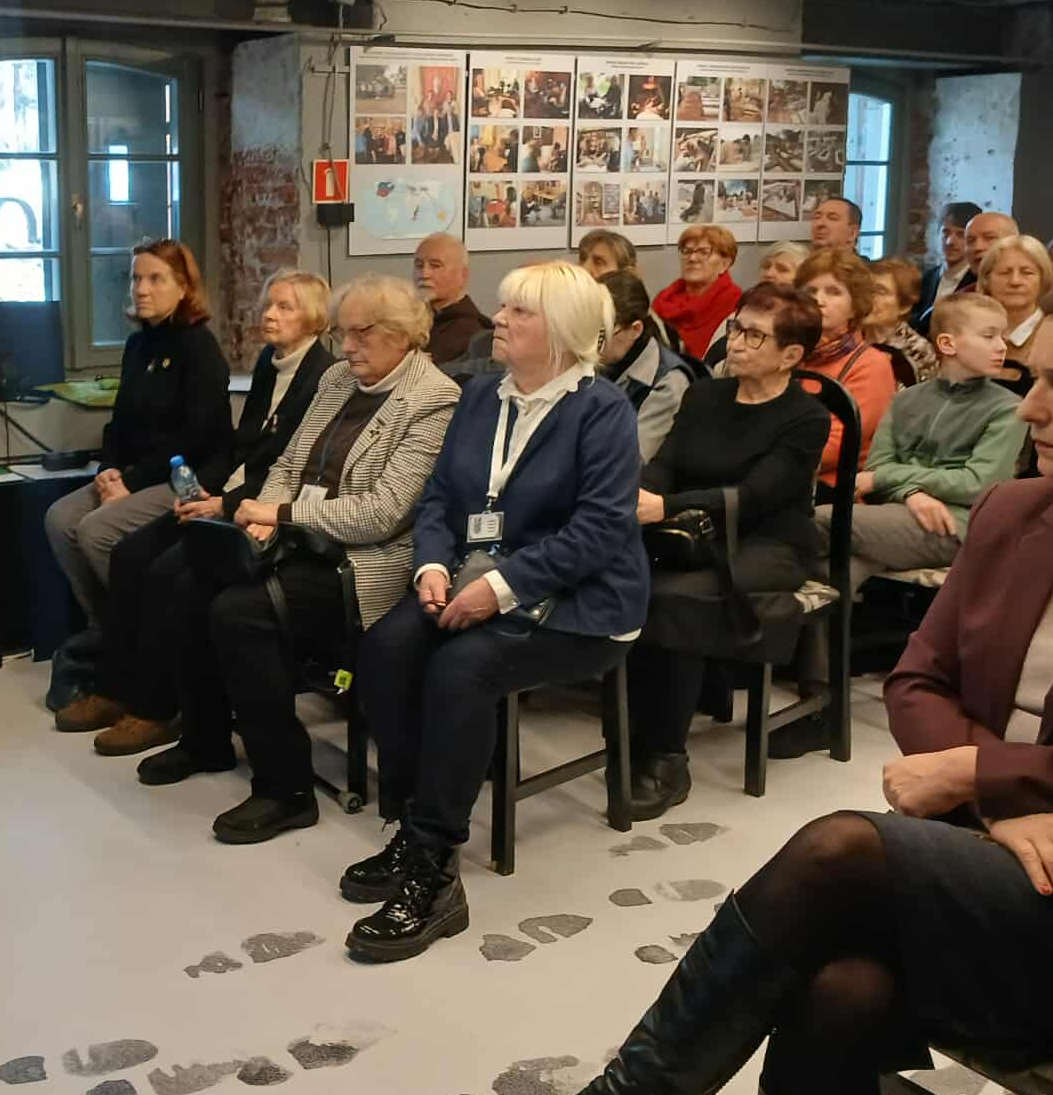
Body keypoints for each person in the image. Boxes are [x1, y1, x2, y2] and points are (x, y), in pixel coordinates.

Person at [406, 265, 1053, 1095]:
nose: (1030, 408)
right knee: (838, 991)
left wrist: (979, 777)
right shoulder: (1020, 511)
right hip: (994, 856)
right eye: (1034, 378)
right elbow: (918, 680)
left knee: (842, 851)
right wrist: (1006, 805)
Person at [345, 263, 649, 962]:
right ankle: (412, 825)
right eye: (504, 307)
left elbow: (600, 532)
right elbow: (439, 500)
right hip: (474, 578)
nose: (500, 320)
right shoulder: (481, 395)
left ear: (563, 332)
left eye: (519, 312)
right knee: (387, 649)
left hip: (584, 602)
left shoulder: (602, 411)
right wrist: (430, 566)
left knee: (462, 669)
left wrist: (498, 588)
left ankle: (435, 871)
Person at [134, 276, 459, 844]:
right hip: (296, 539)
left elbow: (382, 514)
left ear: (401, 335)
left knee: (239, 612)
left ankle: (286, 789)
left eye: (361, 334)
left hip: (361, 562)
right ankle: (206, 741)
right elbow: (287, 464)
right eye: (342, 333)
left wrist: (281, 514)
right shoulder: (338, 379)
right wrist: (267, 513)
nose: (347, 347)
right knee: (185, 582)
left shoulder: (433, 399)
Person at [60, 269, 336, 753]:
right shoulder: (270, 363)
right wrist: (201, 487)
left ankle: (157, 710)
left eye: (284, 307)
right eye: (268, 304)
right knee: (128, 555)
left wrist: (222, 503)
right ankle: (117, 688)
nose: (269, 315)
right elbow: (242, 445)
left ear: (314, 318)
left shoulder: (322, 376)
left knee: (167, 574)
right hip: (224, 492)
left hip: (256, 507)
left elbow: (285, 468)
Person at [624, 284, 830, 817]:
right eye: (737, 328)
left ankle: (667, 756)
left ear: (790, 355)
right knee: (627, 578)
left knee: (673, 596)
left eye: (754, 336)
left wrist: (664, 506)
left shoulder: (806, 417)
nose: (735, 342)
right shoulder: (705, 396)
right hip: (694, 531)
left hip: (770, 542)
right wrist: (644, 495)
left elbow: (757, 496)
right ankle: (631, 734)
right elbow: (667, 461)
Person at [43, 239, 231, 708]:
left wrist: (129, 483)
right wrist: (108, 469)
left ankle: (144, 637)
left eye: (155, 279)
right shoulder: (137, 345)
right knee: (60, 519)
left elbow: (197, 437)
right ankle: (108, 628)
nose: (141, 289)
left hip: (187, 478)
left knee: (96, 530)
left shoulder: (199, 347)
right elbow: (120, 424)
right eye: (136, 278)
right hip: (134, 474)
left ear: (183, 287)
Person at [824, 295, 1023, 592]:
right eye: (989, 336)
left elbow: (978, 484)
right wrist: (911, 493)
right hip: (896, 514)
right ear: (947, 344)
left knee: (821, 520)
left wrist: (885, 478)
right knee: (839, 568)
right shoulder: (906, 399)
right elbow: (878, 465)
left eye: (1002, 336)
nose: (1002, 346)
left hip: (956, 525)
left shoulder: (1008, 408)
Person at [795, 248, 899, 497]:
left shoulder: (871, 364)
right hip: (780, 473)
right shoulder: (791, 353)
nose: (819, 300)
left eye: (833, 292)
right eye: (810, 291)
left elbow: (836, 446)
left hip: (834, 488)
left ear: (855, 307)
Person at [598, 272, 691, 461]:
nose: (591, 344)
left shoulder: (668, 383)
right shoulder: (601, 359)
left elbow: (630, 461)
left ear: (635, 330)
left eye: (602, 333)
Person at [653, 224, 741, 360]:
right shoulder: (664, 300)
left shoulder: (735, 304)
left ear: (725, 263)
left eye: (703, 252)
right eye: (687, 251)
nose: (692, 258)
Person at [979, 234, 1052, 394]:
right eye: (1005, 272)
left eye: (1027, 273)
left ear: (1043, 280)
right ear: (987, 279)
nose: (1015, 281)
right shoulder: (968, 332)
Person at [414, 232, 492, 364]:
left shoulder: (473, 336)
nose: (424, 274)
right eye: (419, 265)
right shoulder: (410, 324)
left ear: (463, 275)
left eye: (435, 265)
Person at [865, 256, 937, 387]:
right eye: (866, 289)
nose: (868, 297)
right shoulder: (847, 338)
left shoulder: (918, 351)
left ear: (904, 306)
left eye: (880, 291)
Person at [918, 201, 982, 321]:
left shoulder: (979, 282)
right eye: (945, 232)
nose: (950, 241)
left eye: (960, 234)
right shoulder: (927, 278)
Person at [962, 209, 1018, 281]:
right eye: (970, 240)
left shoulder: (1027, 285)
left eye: (989, 237)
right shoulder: (964, 286)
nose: (978, 247)